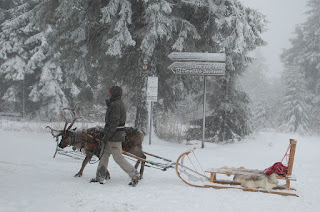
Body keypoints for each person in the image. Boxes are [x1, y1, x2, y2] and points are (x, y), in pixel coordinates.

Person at [91, 86, 139, 186]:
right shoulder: (114, 103)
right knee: (104, 155)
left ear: (113, 93)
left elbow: (114, 122)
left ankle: (134, 175)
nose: (108, 93)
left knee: (118, 157)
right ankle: (100, 177)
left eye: (110, 92)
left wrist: (107, 135)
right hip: (112, 135)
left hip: (114, 136)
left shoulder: (116, 105)